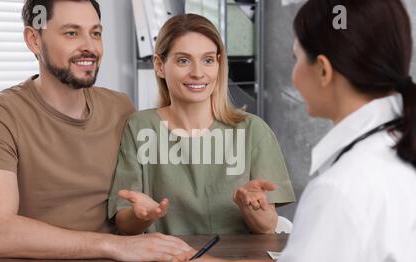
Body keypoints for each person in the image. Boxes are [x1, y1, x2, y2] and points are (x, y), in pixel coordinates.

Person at [106, 0, 416, 262]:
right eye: (184, 60)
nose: (292, 75)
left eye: (295, 59)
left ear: (322, 71)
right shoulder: (388, 157)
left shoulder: (342, 189)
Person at [0, 0, 191, 262]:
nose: (90, 46)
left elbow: (129, 214)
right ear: (34, 40)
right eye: (71, 33)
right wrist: (113, 246)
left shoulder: (120, 107)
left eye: (95, 33)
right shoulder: (0, 114)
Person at [107, 14, 295, 236]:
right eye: (183, 60)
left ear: (218, 64)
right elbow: (124, 222)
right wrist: (141, 216)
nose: (198, 73)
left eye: (207, 60)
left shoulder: (253, 131)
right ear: (159, 66)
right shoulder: (139, 126)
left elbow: (266, 228)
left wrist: (250, 207)